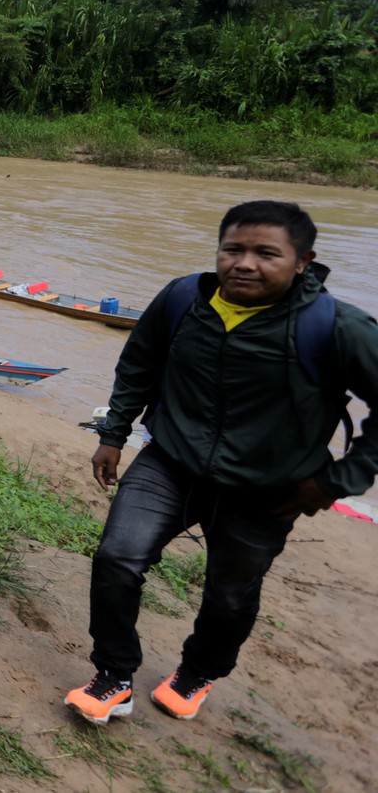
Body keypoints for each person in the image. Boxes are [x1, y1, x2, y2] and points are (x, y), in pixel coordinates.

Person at [66, 200, 378, 726]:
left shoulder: (338, 327)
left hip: (267, 490)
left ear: (304, 261)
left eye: (265, 253)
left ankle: (196, 673)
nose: (245, 263)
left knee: (230, 597)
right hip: (170, 461)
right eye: (233, 248)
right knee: (117, 560)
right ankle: (114, 675)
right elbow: (139, 363)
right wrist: (113, 434)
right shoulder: (184, 299)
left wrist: (334, 481)